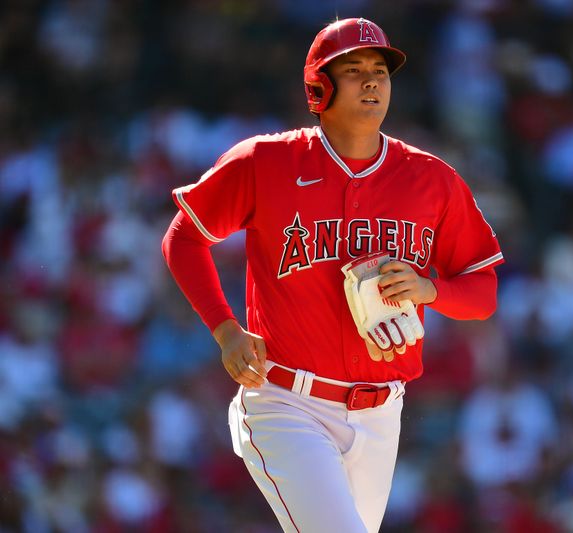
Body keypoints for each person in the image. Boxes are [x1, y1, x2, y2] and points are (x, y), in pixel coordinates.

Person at [161, 17, 503, 533]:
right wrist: (224, 327)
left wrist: (432, 288)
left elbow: (483, 294)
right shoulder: (266, 161)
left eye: (381, 70)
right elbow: (183, 237)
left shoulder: (432, 179)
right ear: (319, 86)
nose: (372, 81)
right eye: (355, 69)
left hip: (382, 414)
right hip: (286, 404)